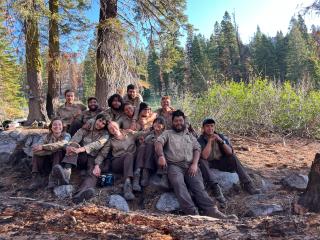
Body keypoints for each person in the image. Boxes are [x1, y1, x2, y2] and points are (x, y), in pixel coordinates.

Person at [154, 110, 236, 219]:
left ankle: (212, 211)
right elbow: (158, 143)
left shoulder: (190, 135)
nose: (178, 123)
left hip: (190, 166)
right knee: (179, 184)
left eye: (180, 120)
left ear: (184, 121)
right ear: (172, 122)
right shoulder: (167, 133)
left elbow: (197, 149)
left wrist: (195, 164)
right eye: (176, 121)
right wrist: (161, 156)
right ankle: (192, 212)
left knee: (198, 187)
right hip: (174, 166)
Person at [198, 118, 261, 204]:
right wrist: (209, 142)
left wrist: (220, 141)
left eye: (212, 126)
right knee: (202, 161)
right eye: (207, 126)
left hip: (221, 162)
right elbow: (204, 156)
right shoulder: (200, 139)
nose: (210, 128)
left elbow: (230, 152)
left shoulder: (221, 136)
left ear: (214, 127)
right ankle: (215, 188)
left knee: (233, 157)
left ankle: (248, 185)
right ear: (203, 128)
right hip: (209, 163)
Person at [51, 114, 109, 203]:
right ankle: (66, 175)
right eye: (99, 120)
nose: (100, 123)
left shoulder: (105, 135)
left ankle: (80, 195)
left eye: (103, 123)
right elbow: (76, 137)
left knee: (93, 173)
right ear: (96, 120)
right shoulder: (87, 127)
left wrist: (82, 149)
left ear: (105, 126)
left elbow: (98, 144)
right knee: (73, 146)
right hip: (81, 156)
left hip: (93, 157)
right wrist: (70, 146)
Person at [94, 121, 144, 200]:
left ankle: (136, 178)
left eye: (114, 126)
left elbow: (143, 133)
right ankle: (127, 185)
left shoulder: (130, 134)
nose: (113, 129)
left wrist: (154, 129)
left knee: (142, 147)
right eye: (110, 128)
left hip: (132, 160)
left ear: (118, 126)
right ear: (109, 131)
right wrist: (97, 165)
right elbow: (103, 154)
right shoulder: (111, 141)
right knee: (128, 155)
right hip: (118, 162)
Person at [29, 118, 71, 190]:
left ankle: (53, 179)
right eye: (54, 125)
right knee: (36, 154)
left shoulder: (67, 135)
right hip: (47, 162)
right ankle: (36, 178)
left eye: (59, 124)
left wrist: (44, 147)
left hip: (60, 164)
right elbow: (36, 148)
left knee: (58, 151)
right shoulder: (46, 136)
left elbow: (62, 143)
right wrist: (49, 149)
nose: (57, 126)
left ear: (62, 127)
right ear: (51, 127)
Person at [135, 116, 167, 187]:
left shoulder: (166, 134)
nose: (157, 125)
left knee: (154, 145)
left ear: (163, 126)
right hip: (151, 161)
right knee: (147, 145)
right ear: (153, 124)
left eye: (160, 123)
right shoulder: (150, 134)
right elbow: (141, 137)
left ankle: (163, 174)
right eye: (155, 123)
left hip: (162, 160)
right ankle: (145, 173)